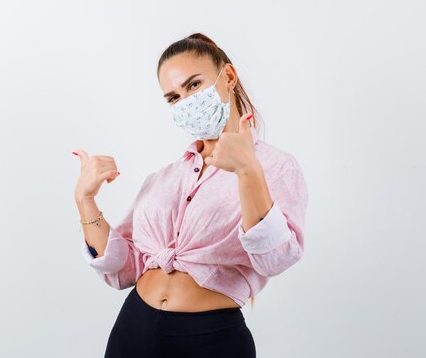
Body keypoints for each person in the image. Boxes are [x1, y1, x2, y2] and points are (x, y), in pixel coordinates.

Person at [72, 33, 308, 358]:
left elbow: (276, 259)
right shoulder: (164, 178)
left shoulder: (276, 168)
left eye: (194, 85)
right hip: (132, 329)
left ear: (228, 76)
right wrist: (85, 200)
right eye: (172, 97)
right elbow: (124, 270)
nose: (185, 101)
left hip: (210, 341)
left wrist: (247, 171)